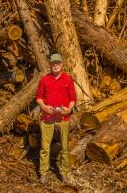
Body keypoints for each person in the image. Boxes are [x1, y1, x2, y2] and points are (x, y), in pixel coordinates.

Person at [35, 53, 76, 184]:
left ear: (62, 64)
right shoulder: (44, 80)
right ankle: (44, 173)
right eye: (53, 63)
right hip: (48, 116)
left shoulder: (68, 79)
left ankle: (64, 173)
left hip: (64, 117)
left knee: (64, 147)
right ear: (50, 65)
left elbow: (73, 98)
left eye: (58, 63)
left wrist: (69, 109)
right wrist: (43, 106)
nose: (56, 65)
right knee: (45, 147)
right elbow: (39, 98)